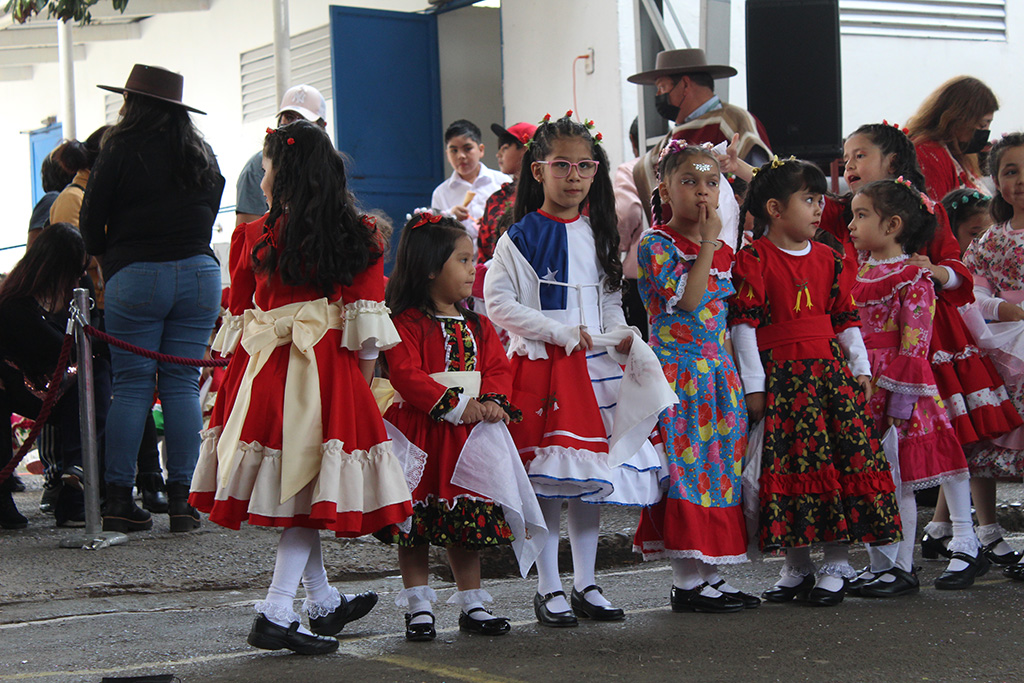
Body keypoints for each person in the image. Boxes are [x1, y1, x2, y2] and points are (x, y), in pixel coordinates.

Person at [188, 120, 413, 655]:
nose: (262, 180)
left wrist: (229, 391)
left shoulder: (252, 235)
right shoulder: (360, 234)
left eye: (266, 170)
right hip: (326, 374)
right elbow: (365, 332)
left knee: (300, 492)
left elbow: (239, 318)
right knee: (307, 493)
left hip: (265, 375)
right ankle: (276, 609)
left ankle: (321, 600)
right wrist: (359, 393)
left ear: (283, 174)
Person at [485, 114, 671, 627]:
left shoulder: (598, 233)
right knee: (548, 481)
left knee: (591, 480)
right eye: (562, 165)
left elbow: (609, 300)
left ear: (596, 171)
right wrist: (559, 331)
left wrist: (621, 332)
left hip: (596, 371)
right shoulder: (519, 237)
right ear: (538, 170)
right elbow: (498, 303)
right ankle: (548, 587)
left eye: (584, 166)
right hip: (545, 370)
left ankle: (586, 583)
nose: (574, 176)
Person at [828, 123, 1022, 560]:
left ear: (892, 161)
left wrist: (937, 271)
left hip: (929, 343)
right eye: (847, 156)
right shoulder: (851, 223)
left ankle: (962, 534)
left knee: (944, 437)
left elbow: (956, 264)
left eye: (860, 155)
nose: (850, 164)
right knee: (892, 455)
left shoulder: (924, 213)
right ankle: (905, 552)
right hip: (871, 361)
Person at [728, 157, 901, 606]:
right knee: (793, 469)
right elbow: (744, 327)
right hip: (784, 382)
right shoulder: (753, 260)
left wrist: (860, 367)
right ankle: (798, 564)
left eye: (820, 199)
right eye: (808, 199)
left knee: (837, 466)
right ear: (774, 209)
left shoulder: (829, 258)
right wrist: (754, 387)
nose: (819, 207)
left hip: (828, 381)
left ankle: (838, 562)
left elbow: (845, 318)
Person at [80, 64, 225, 533]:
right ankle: (183, 501)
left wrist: (112, 260)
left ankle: (120, 500)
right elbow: (212, 203)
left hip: (136, 274)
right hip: (199, 273)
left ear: (133, 103)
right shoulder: (199, 150)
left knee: (132, 387)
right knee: (182, 385)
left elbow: (89, 220)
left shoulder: (119, 146)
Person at [378, 212, 523, 641]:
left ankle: (472, 602)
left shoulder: (478, 324)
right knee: (415, 524)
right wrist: (457, 405)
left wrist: (493, 401)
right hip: (421, 434)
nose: (472, 269)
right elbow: (406, 375)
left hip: (467, 439)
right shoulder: (405, 323)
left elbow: (498, 367)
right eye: (462, 260)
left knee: (465, 522)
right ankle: (419, 606)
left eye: (473, 260)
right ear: (429, 268)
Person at [633, 140, 755, 612]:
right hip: (676, 377)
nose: (702, 192)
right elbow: (687, 300)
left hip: (718, 375)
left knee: (719, 470)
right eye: (689, 181)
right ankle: (686, 580)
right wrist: (708, 243)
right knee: (685, 471)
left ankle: (711, 571)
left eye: (711, 182)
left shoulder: (721, 248)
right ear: (664, 189)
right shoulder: (656, 243)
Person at [848, 179, 981, 595]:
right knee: (873, 478)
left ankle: (899, 566)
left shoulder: (914, 278)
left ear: (892, 225)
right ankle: (880, 563)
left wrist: (899, 402)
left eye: (861, 215)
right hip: (863, 385)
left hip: (898, 391)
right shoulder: (859, 272)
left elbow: (915, 345)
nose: (851, 225)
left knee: (898, 478)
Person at [958, 134, 1024, 580]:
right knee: (985, 437)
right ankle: (987, 530)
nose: (1020, 180)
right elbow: (972, 292)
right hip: (1004, 345)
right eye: (1010, 171)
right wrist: (1005, 308)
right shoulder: (990, 240)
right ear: (996, 180)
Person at [0, 224, 93, 528]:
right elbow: (61, 348)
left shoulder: (68, 293)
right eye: (78, 268)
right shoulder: (16, 304)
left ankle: (76, 483)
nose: (83, 274)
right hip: (14, 381)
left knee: (93, 387)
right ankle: (71, 485)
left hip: (38, 381)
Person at [627, 48, 771, 229]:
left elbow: (766, 185)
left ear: (685, 85)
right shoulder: (671, 137)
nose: (658, 96)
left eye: (662, 88)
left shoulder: (732, 122)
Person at [235, 84, 328, 227]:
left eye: (303, 120)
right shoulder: (258, 167)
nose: (294, 125)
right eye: (289, 117)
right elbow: (247, 229)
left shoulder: (329, 164)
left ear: (321, 126)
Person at [908, 76, 999, 198]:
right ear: (959, 118)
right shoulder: (928, 153)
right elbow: (938, 206)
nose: (986, 132)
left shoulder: (960, 155)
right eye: (982, 125)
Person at [431, 119, 510, 242]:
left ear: (481, 150)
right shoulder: (441, 193)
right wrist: (450, 216)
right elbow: (436, 236)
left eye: (467, 149)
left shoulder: (502, 182)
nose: (461, 156)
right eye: (454, 150)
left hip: (497, 251)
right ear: (447, 155)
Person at [477, 121, 536, 262]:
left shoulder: (545, 196)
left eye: (504, 148)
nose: (498, 155)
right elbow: (484, 251)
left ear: (525, 149)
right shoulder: (497, 198)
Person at [614, 117, 650, 338]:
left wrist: (622, 245)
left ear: (633, 140)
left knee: (643, 345)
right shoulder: (681, 166)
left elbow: (628, 212)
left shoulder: (632, 169)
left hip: (640, 271)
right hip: (684, 271)